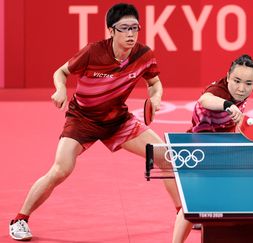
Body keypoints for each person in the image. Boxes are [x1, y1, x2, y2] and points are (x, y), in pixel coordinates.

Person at [9, 3, 181, 241]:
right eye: (124, 28)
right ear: (111, 31)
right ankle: (20, 219)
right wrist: (60, 90)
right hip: (82, 119)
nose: (131, 34)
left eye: (135, 28)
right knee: (61, 170)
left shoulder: (143, 55)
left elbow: (154, 82)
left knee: (166, 156)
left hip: (117, 119)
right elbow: (61, 72)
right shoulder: (92, 52)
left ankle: (184, 215)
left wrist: (157, 97)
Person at [172, 48, 253, 242]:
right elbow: (205, 99)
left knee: (228, 192)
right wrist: (229, 105)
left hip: (226, 146)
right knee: (192, 202)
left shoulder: (244, 77)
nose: (242, 88)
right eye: (236, 81)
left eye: (248, 83)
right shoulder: (218, 91)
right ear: (228, 77)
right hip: (200, 148)